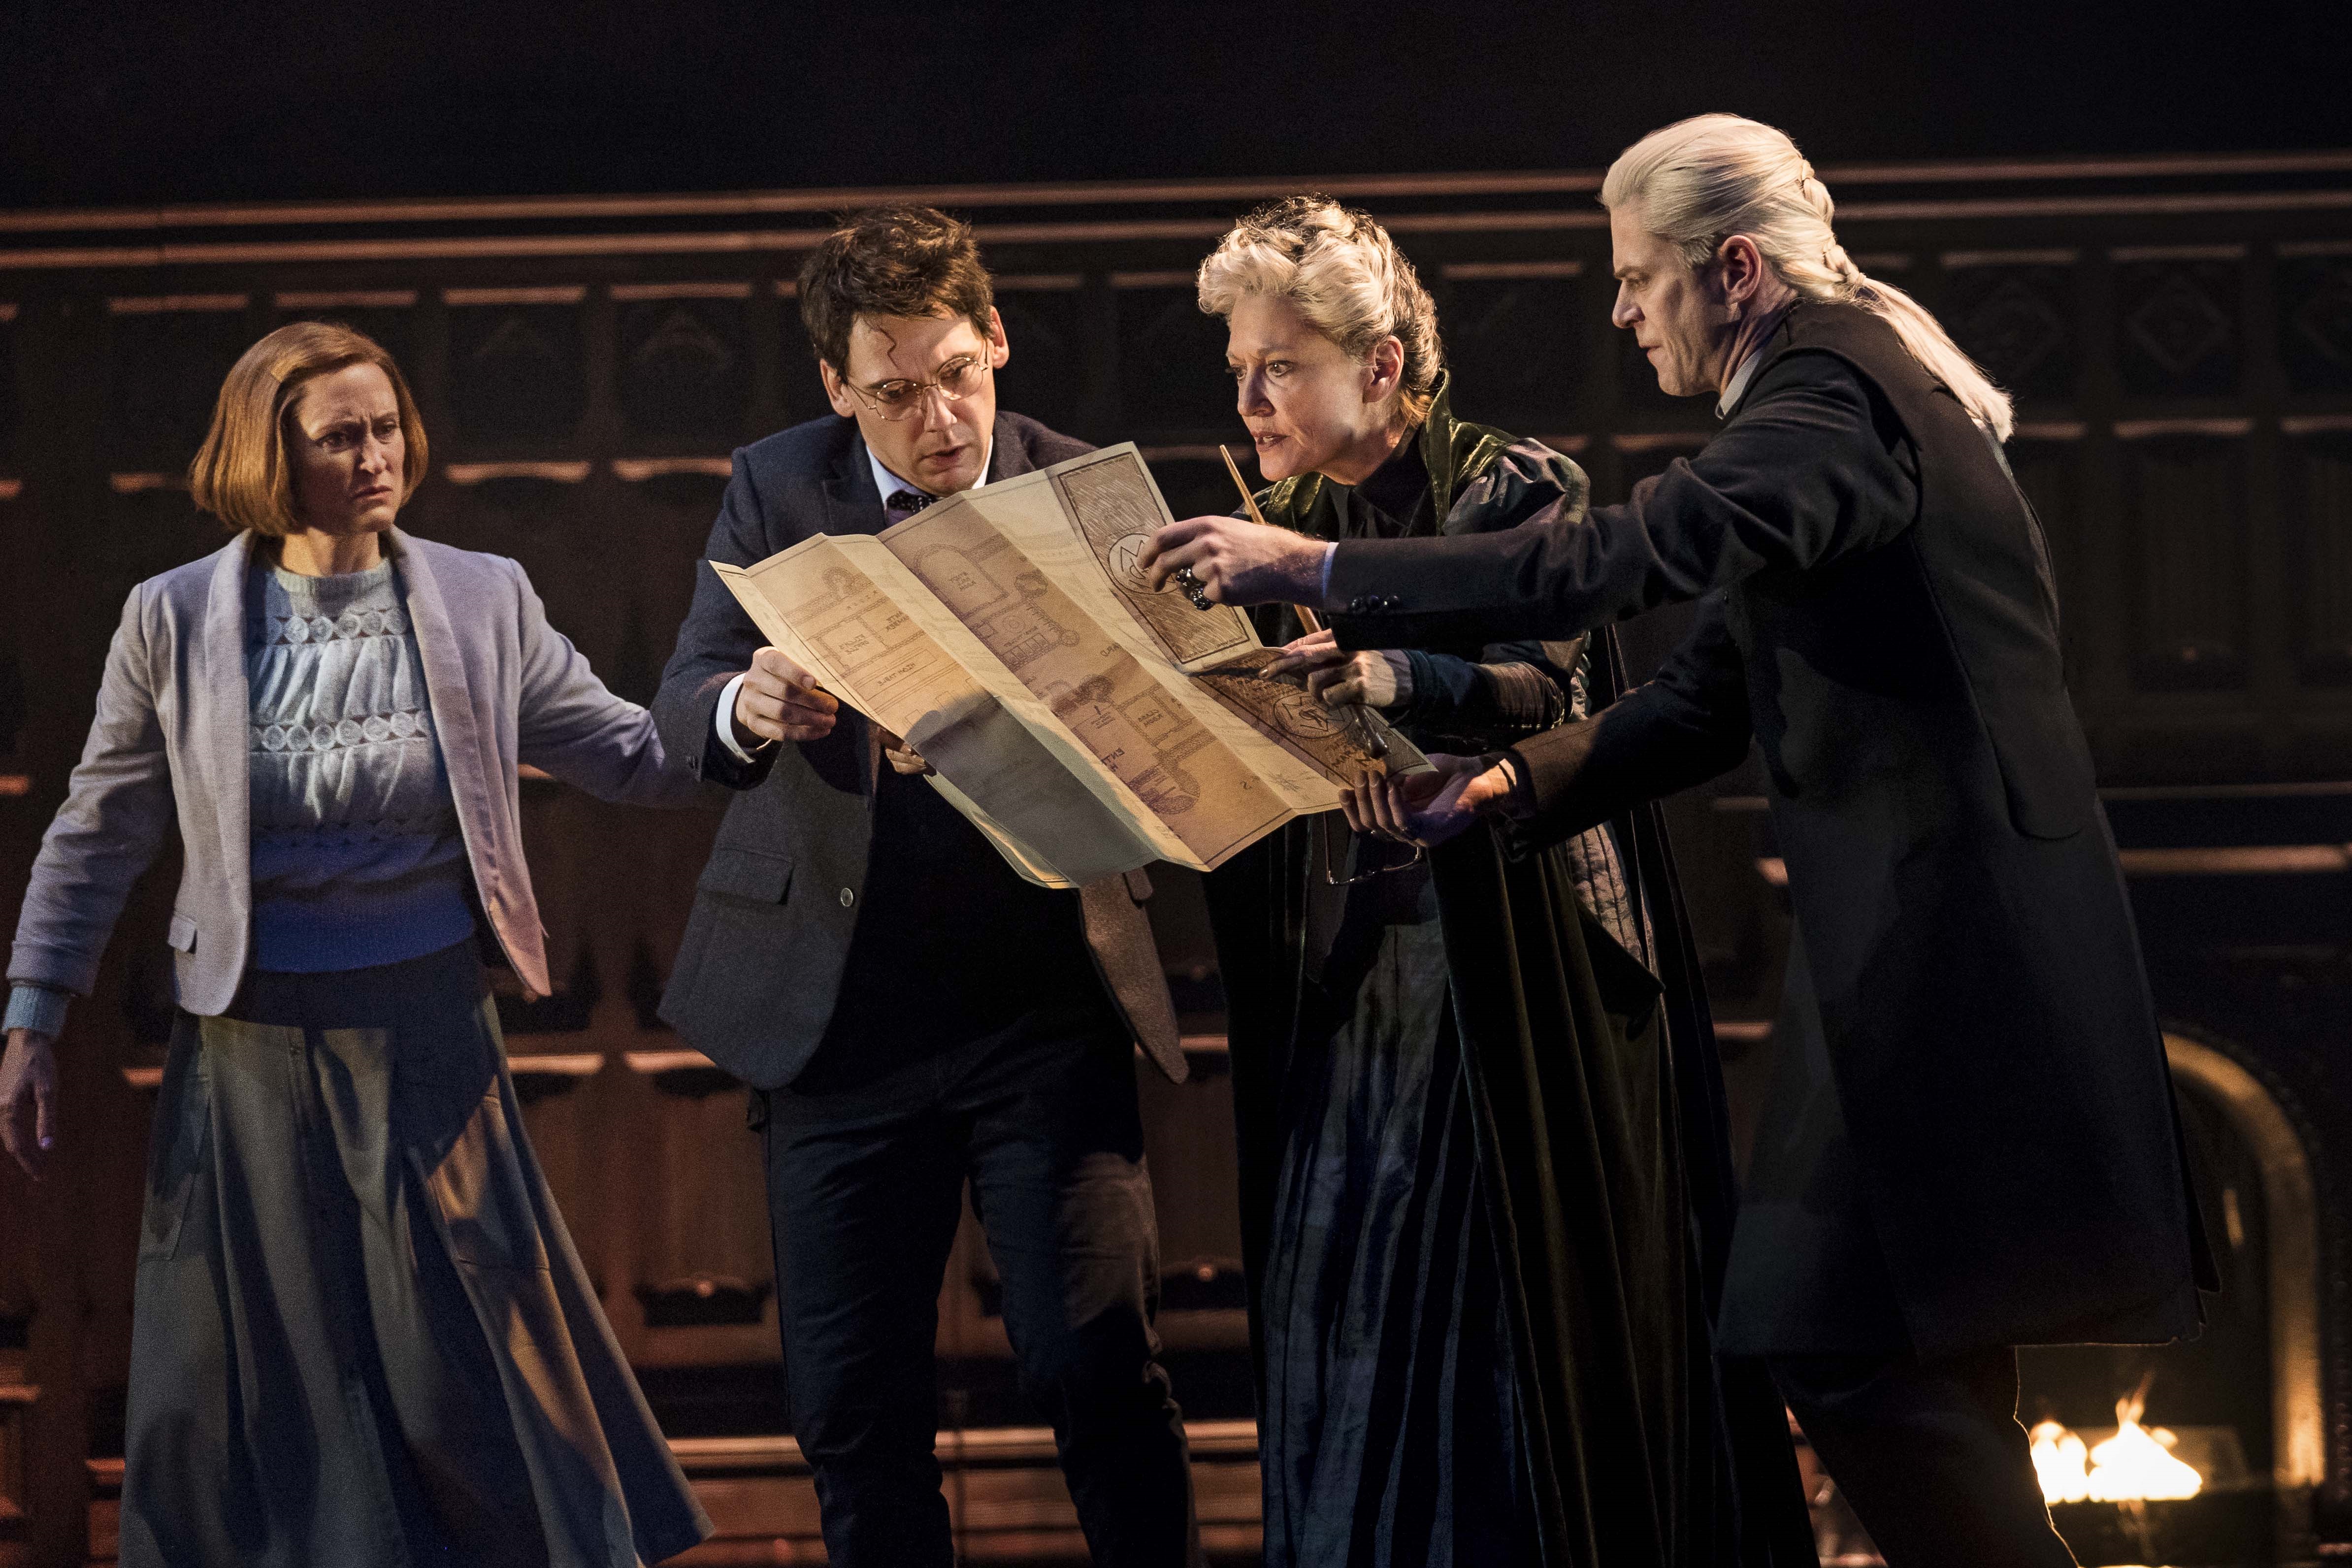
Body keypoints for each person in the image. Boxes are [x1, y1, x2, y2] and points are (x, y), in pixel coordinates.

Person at [1144, 116, 2215, 1568]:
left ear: (1735, 270)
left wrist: (1323, 564)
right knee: (1894, 1348)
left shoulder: (1830, 398)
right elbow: (1711, 692)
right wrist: (1506, 790)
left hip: (1953, 948)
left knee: (1831, 1336)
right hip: (1934, 941)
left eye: (1641, 277)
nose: (1620, 307)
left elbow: (1614, 558)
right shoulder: (1843, 389)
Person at [0, 322, 713, 1567]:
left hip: (431, 1028)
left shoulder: (481, 596)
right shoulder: (173, 616)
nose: (376, 456)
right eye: (341, 436)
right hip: (252, 1044)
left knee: (461, 1370)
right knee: (280, 1380)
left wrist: (753, 714)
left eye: (386, 428)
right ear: (272, 458)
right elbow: (97, 829)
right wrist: (33, 1009)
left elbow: (633, 752)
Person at [1182, 196, 1809, 1568]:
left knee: (1501, 1325)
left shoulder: (1513, 489)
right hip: (1355, 979)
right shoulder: (1262, 526)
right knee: (1342, 1300)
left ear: (1385, 366)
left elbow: (1551, 682)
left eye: (1279, 363)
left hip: (1519, 965)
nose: (1250, 397)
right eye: (1239, 367)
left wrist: (1386, 673)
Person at [652, 204, 1199, 1568]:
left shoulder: (1083, 491)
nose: (938, 417)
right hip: (842, 1023)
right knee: (852, 1411)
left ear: (997, 338)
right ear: (838, 389)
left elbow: (1182, 736)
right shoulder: (781, 486)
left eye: (958, 373)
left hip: (1043, 1009)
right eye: (894, 393)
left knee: (1094, 1366)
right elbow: (680, 708)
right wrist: (749, 699)